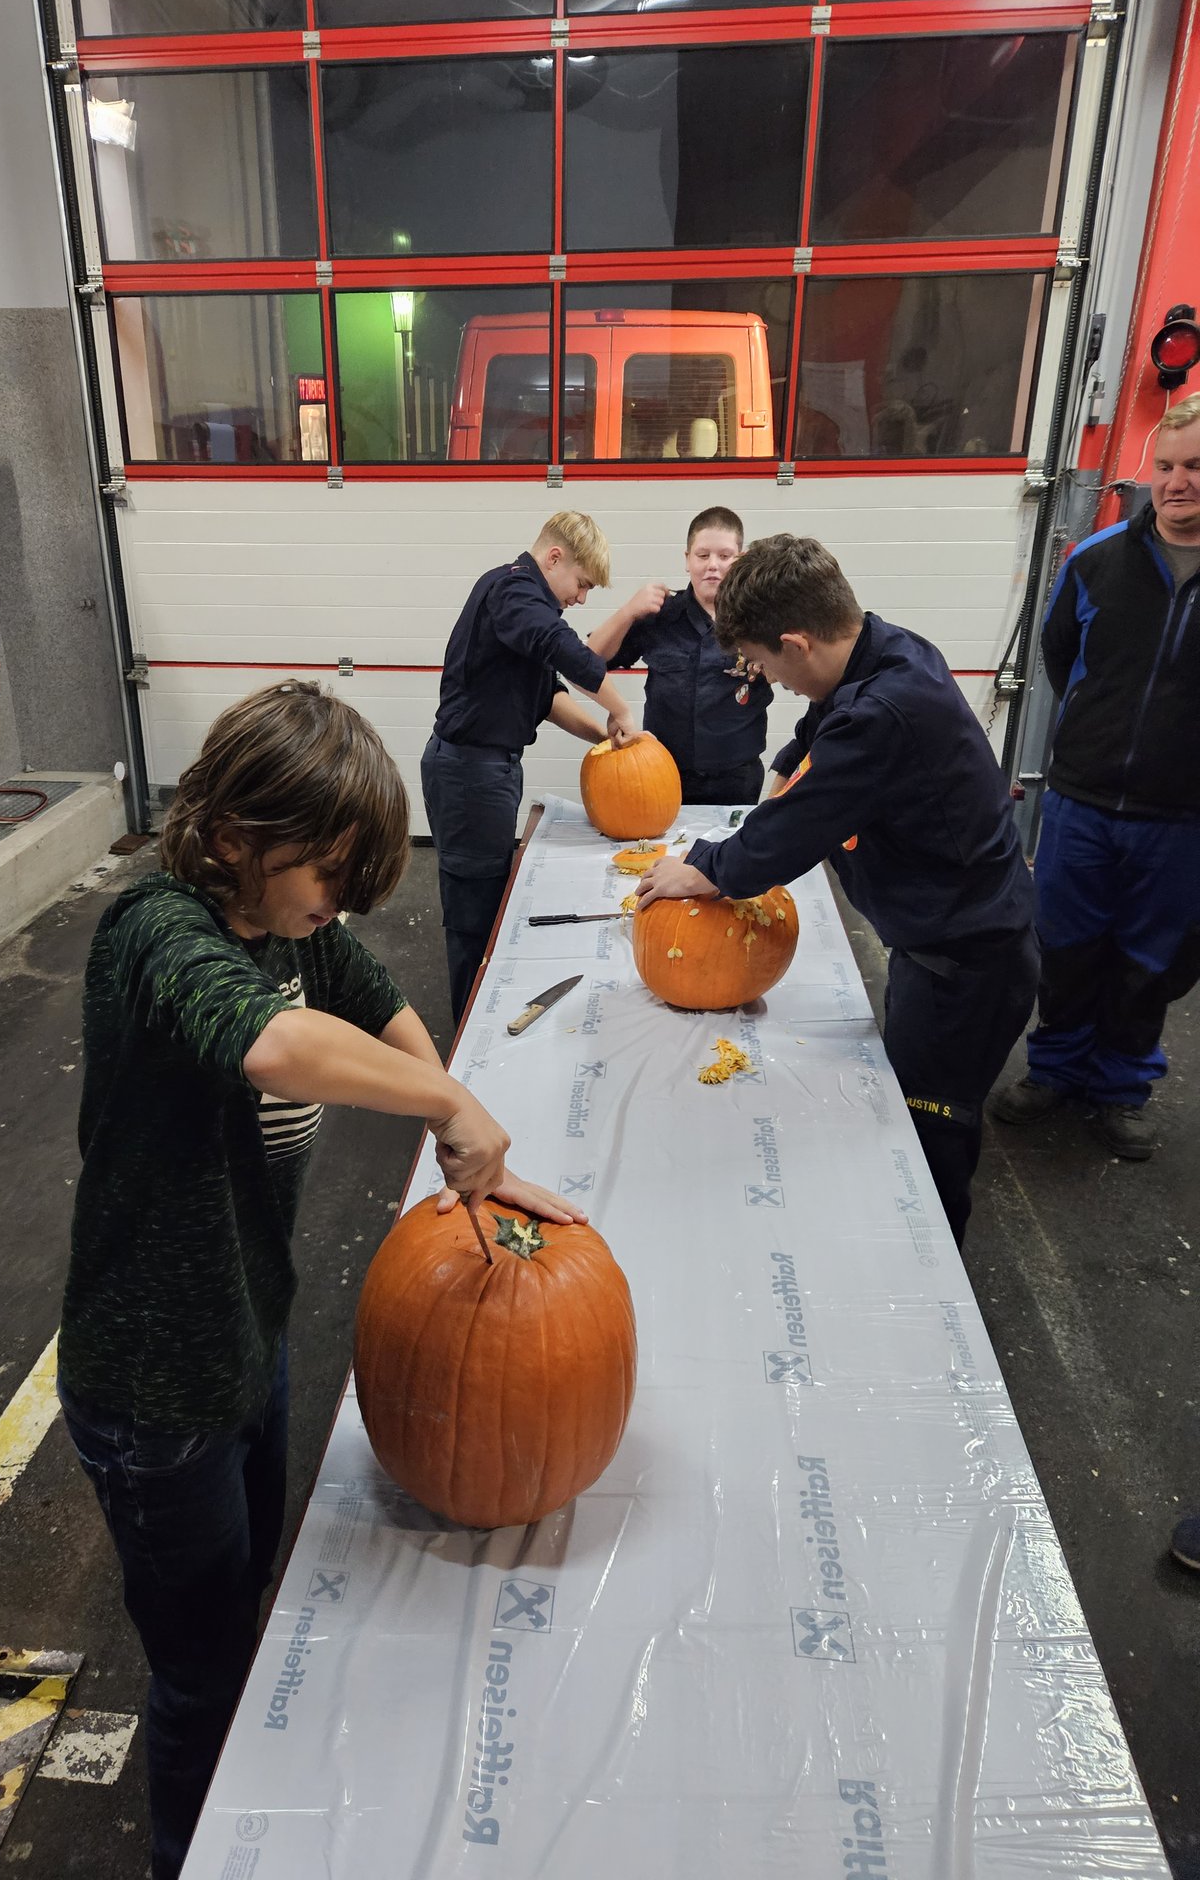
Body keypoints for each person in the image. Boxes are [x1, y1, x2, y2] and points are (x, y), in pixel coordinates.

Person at [57, 682, 582, 1880]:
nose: (335, 903)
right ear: (235, 835)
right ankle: (188, 1857)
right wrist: (448, 1103)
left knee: (246, 1593)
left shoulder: (289, 927)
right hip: (153, 1391)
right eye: (325, 873)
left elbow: (375, 1004)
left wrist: (459, 1131)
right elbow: (278, 1046)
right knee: (200, 1676)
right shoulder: (157, 935)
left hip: (248, 1340)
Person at [637, 534, 1037, 1245]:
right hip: (938, 943)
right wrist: (784, 771)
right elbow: (819, 734)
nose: (771, 679)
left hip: (967, 966)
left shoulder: (887, 713)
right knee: (908, 1088)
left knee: (931, 1128)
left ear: (796, 643)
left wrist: (704, 867)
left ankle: (931, 1262)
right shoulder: (885, 649)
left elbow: (798, 828)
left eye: (764, 664)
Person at [991, 396, 1200, 1160]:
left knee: (1150, 963)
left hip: (1181, 817)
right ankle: (1054, 1071)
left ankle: (1121, 1087)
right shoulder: (1096, 560)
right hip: (1082, 801)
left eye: (1195, 466)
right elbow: (1058, 656)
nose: (1176, 483)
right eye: (1166, 466)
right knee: (1068, 949)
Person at [422, 511, 644, 1021]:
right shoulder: (513, 591)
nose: (581, 598)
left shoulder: (522, 607)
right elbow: (564, 650)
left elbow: (546, 696)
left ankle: (478, 1014)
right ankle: (468, 1034)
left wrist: (606, 737)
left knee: (490, 899)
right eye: (582, 583)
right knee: (476, 913)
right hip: (470, 774)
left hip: (489, 771)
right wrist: (620, 708)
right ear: (554, 557)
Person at [586, 504, 772, 805]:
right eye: (702, 555)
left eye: (725, 556)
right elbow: (588, 660)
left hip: (738, 777)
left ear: (740, 559)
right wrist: (628, 612)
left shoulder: (761, 621)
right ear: (687, 559)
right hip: (663, 773)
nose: (713, 565)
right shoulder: (659, 614)